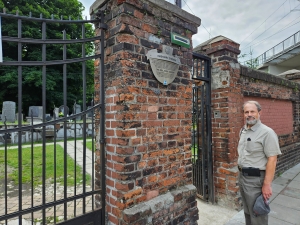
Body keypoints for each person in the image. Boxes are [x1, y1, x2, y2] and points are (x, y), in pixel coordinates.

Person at [237, 100, 281, 225]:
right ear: (243, 114)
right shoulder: (243, 131)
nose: (249, 114)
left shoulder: (267, 133)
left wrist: (267, 185)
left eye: (252, 111)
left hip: (256, 180)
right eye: (246, 112)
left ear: (259, 113)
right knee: (247, 212)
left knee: (258, 215)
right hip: (242, 177)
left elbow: (272, 159)